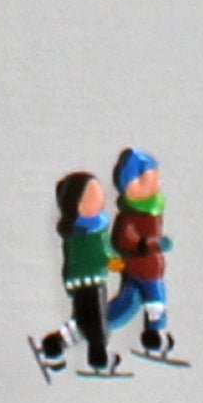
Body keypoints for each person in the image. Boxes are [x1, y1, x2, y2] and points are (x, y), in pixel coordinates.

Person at [37, 172, 116, 376]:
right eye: (93, 196)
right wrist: (115, 261)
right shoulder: (88, 232)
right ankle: (98, 357)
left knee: (82, 321)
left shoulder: (81, 231)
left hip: (81, 282)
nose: (101, 198)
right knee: (97, 323)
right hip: (91, 282)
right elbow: (102, 254)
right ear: (78, 205)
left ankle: (54, 345)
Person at [107, 150, 174, 355]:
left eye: (156, 179)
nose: (155, 184)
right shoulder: (130, 215)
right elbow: (126, 240)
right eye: (146, 181)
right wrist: (153, 244)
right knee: (129, 304)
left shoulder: (153, 210)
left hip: (152, 269)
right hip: (137, 270)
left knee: (155, 302)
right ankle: (98, 324)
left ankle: (155, 336)